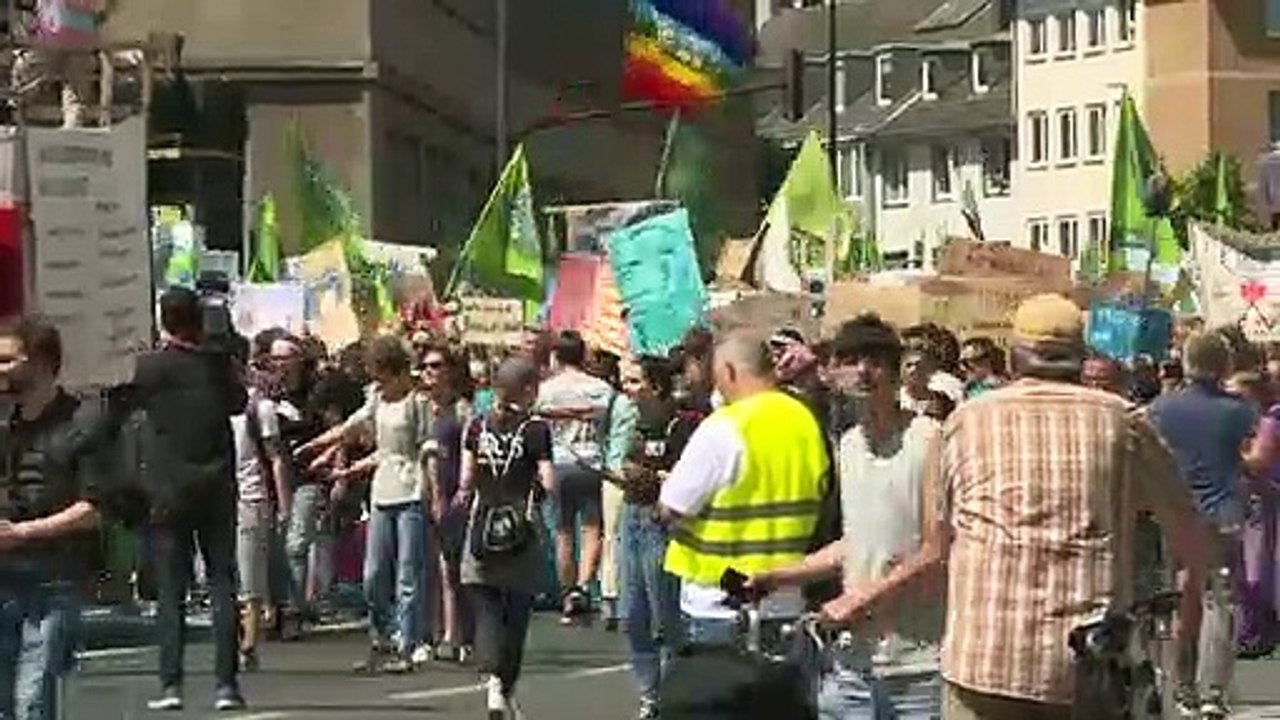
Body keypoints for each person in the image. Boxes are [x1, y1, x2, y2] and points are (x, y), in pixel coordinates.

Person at [938, 294, 1209, 720]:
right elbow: (1185, 526)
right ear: (1080, 357)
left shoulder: (965, 420)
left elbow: (941, 533)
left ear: (1012, 358)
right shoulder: (1122, 418)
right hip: (1086, 664)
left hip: (984, 656)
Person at [750, 314, 947, 719]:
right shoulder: (850, 445)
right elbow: (857, 542)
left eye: (874, 360)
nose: (862, 372)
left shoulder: (928, 439)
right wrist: (778, 576)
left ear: (895, 372)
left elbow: (936, 549)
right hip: (850, 663)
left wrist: (861, 597)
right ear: (832, 373)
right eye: (850, 361)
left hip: (916, 664)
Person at [86, 287, 249, 712]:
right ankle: (226, 685)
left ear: (163, 320)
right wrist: (222, 350)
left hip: (168, 491)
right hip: (216, 487)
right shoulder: (214, 366)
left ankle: (171, 683)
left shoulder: (151, 368)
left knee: (172, 591)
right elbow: (239, 403)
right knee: (221, 585)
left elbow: (112, 416)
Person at [660, 329, 830, 646]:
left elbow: (672, 506)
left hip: (718, 605)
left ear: (729, 371)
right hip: (788, 602)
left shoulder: (723, 426)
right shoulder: (805, 420)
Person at [300, 336, 436, 673]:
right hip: (382, 491)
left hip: (412, 492)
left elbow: (427, 450)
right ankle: (381, 636)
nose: (379, 382)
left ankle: (407, 644)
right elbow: (351, 428)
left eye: (384, 375)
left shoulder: (417, 403)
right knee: (373, 573)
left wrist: (433, 492)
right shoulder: (377, 399)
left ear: (399, 372)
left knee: (407, 572)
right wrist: (314, 448)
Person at [1149, 332, 1265, 718]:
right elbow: (1252, 459)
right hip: (1223, 514)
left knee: (1183, 602)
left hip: (1176, 515)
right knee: (1221, 604)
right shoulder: (1240, 411)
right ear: (1224, 365)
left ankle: (1183, 690)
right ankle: (1214, 692)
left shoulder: (1162, 408)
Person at [0, 317, 103, 720]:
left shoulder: (82, 423)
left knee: (32, 700)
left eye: (7, 360)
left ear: (41, 362)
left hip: (53, 578)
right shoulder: (5, 426)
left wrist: (22, 533)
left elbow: (96, 508)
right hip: (3, 581)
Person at [455, 357, 556, 719]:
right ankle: (504, 686)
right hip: (520, 530)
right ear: (529, 390)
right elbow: (548, 481)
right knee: (516, 615)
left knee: (485, 607)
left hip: (482, 527)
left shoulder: (477, 426)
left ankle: (495, 690)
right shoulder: (536, 429)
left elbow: (466, 482)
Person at [614, 356, 701, 718]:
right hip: (632, 516)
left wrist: (657, 477)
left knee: (666, 615)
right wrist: (628, 472)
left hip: (661, 522)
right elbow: (629, 462)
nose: (628, 389)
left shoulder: (683, 424)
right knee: (632, 614)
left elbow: (689, 476)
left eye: (635, 382)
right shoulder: (636, 422)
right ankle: (649, 694)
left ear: (656, 386)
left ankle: (674, 693)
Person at [535, 331, 616, 624]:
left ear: (556, 356)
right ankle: (583, 586)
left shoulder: (545, 390)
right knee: (592, 528)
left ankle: (568, 592)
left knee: (563, 531)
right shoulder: (602, 389)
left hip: (559, 464)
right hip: (592, 461)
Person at [231, 336, 288, 672]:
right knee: (226, 574)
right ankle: (236, 637)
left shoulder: (260, 408)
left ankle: (248, 645)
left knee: (250, 575)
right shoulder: (210, 405)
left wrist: (283, 504)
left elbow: (276, 458)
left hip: (251, 499)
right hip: (219, 499)